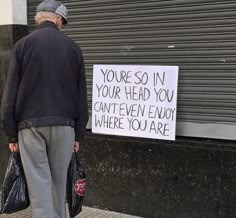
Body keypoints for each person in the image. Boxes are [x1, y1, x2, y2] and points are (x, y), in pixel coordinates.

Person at [0, 0, 88, 217]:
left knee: (40, 188)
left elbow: (10, 93)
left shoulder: (22, 46)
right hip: (65, 126)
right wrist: (78, 134)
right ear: (57, 19)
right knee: (59, 187)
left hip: (30, 128)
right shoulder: (74, 48)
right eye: (63, 22)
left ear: (38, 19)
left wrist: (11, 135)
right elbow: (81, 96)